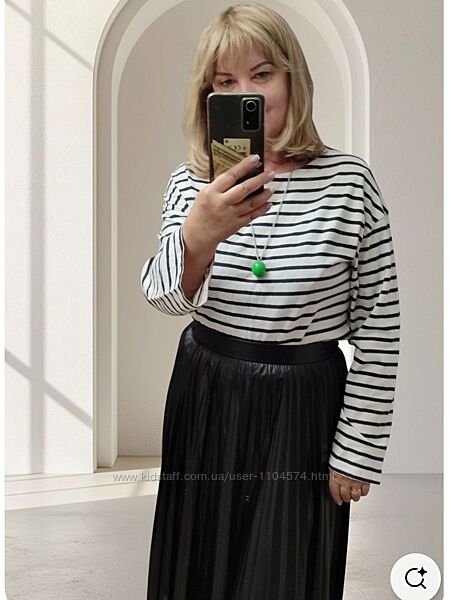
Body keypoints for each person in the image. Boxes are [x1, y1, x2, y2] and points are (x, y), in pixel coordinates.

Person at [140, 3, 401, 599]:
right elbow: (162, 297)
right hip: (207, 394)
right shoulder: (193, 182)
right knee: (198, 566)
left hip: (304, 404)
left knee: (285, 571)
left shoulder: (349, 181)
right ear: (207, 96)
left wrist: (358, 449)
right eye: (226, 82)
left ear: (292, 78)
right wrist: (198, 236)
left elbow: (380, 322)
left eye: (262, 74)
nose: (246, 94)